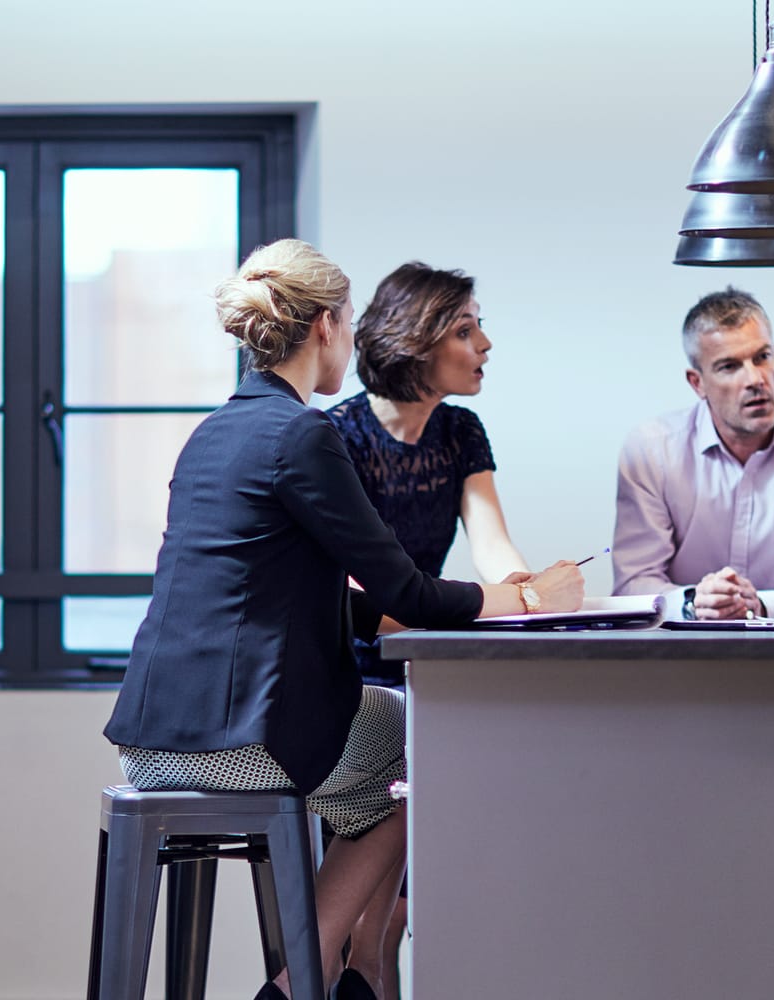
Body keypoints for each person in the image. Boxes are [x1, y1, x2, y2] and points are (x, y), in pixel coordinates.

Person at [103, 239, 586, 1000]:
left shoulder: (214, 433)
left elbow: (292, 589)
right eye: (348, 319)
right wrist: (529, 598)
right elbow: (408, 592)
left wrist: (420, 608)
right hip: (241, 744)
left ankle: (332, 968)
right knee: (424, 744)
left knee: (383, 764)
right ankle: (307, 977)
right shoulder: (306, 435)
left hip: (149, 738)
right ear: (326, 325)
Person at [327, 262, 533, 677]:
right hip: (345, 658)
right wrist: (514, 601)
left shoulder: (461, 429)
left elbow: (491, 544)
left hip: (424, 644)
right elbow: (343, 584)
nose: (485, 343)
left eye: (479, 325)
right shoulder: (334, 435)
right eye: (464, 331)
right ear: (414, 343)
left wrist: (528, 593)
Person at [612, 287, 774, 619]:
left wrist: (761, 605)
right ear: (697, 383)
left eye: (762, 357)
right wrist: (692, 602)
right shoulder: (651, 452)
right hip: (679, 654)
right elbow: (632, 585)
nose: (755, 379)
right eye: (730, 366)